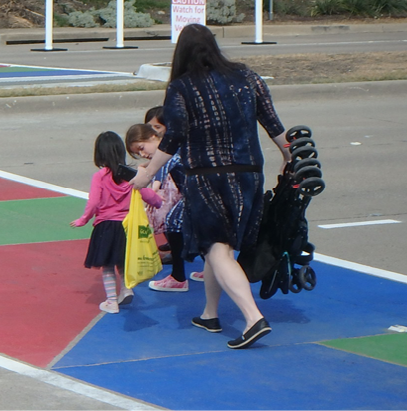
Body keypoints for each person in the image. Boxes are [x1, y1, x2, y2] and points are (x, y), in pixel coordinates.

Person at [130, 23, 292, 350]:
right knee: (220, 248)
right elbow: (273, 122)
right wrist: (289, 156)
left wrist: (147, 174)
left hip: (206, 176)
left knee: (216, 246)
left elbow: (173, 137)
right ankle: (210, 313)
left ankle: (252, 318)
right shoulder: (247, 77)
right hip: (248, 173)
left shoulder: (181, 87)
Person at [71, 131, 161, 314]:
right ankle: (126, 289)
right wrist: (159, 202)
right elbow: (147, 193)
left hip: (106, 225)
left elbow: (94, 202)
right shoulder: (129, 175)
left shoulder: (100, 176)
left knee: (107, 265)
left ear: (99, 153)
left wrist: (84, 219)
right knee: (122, 260)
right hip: (127, 226)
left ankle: (111, 301)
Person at [126, 123, 188, 292]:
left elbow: (157, 170)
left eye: (142, 148)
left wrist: (144, 181)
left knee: (173, 221)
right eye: (138, 153)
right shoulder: (171, 150)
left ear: (153, 137)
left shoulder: (169, 151)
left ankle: (178, 277)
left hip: (196, 195)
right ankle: (205, 267)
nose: (143, 154)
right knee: (188, 227)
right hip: (194, 194)